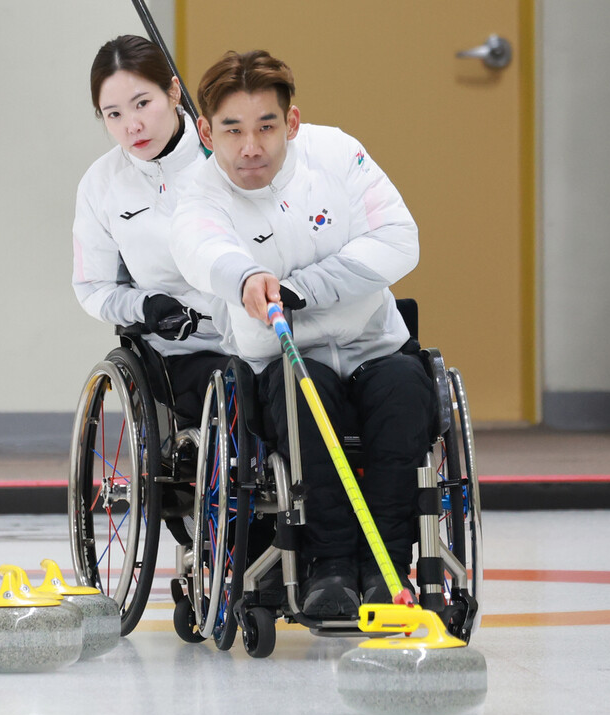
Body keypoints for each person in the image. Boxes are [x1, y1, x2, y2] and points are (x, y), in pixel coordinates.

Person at [171, 50, 437, 618]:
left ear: (290, 123)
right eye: (232, 130)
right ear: (205, 132)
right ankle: (332, 566)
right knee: (303, 392)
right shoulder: (197, 192)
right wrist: (244, 277)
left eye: (266, 126)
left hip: (373, 344)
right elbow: (202, 250)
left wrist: (301, 289)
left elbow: (398, 239)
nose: (251, 147)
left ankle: (386, 567)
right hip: (283, 362)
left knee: (407, 392)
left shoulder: (337, 153)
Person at [72, 35, 230, 428]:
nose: (133, 126)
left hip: (258, 339)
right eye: (114, 115)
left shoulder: (229, 156)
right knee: (233, 391)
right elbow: (93, 286)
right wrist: (145, 306)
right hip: (180, 353)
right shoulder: (100, 184)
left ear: (174, 91)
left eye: (143, 103)